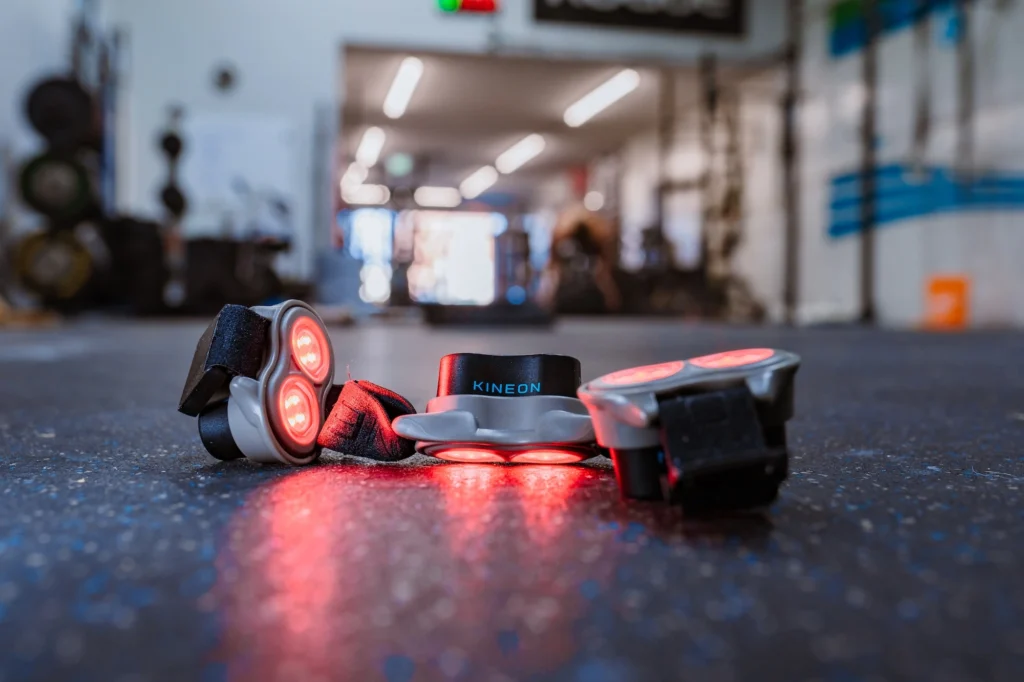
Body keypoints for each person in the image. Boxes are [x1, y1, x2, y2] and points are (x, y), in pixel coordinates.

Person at [538, 204, 621, 314]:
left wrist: (610, 295)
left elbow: (602, 274)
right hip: (570, 302)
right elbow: (554, 270)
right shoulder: (563, 242)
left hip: (587, 303)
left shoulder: (594, 245)